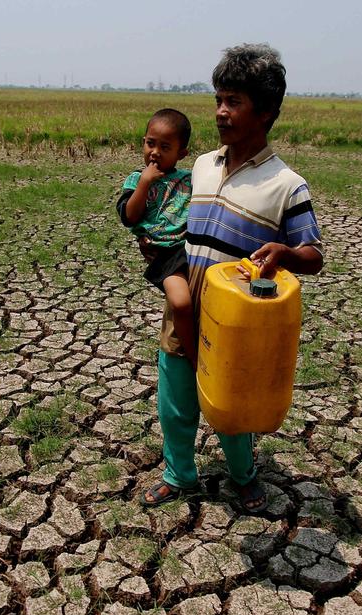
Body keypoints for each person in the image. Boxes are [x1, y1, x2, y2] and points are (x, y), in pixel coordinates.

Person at [142, 43, 323, 513]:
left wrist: (285, 253)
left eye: (234, 102)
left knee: (232, 405)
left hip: (238, 319)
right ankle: (179, 474)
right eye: (218, 99)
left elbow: (313, 255)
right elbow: (172, 222)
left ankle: (243, 475)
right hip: (185, 303)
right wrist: (155, 243)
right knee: (176, 400)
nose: (221, 112)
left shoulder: (287, 185)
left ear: (265, 112)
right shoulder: (201, 165)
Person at [116, 108, 198, 368]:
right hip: (165, 254)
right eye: (151, 144)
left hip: (191, 248)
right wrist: (144, 183)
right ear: (143, 142)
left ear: (181, 153)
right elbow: (129, 216)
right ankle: (195, 355)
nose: (155, 153)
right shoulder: (135, 180)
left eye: (165, 147)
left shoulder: (188, 179)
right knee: (181, 303)